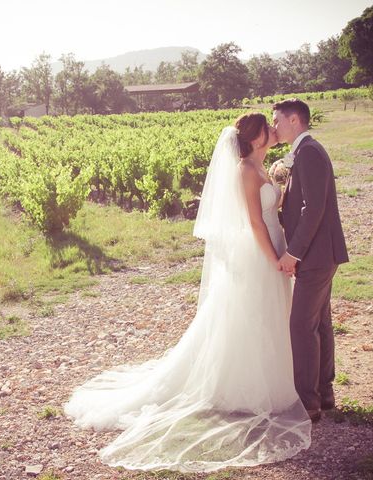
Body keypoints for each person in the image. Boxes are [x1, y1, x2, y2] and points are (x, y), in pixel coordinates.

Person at [64, 113, 311, 473]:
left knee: (268, 313)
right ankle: (244, 386)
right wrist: (273, 257)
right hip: (259, 250)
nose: (273, 130)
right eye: (267, 127)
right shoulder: (244, 170)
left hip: (271, 245)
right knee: (250, 314)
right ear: (256, 138)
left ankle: (274, 376)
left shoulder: (261, 167)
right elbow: (256, 221)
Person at [273, 99, 349, 422]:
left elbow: (314, 209)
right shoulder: (304, 152)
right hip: (320, 254)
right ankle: (323, 395)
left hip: (316, 255)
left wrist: (293, 252)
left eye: (276, 120)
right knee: (318, 323)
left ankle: (308, 403)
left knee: (301, 325)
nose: (273, 125)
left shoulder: (309, 153)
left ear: (294, 120)